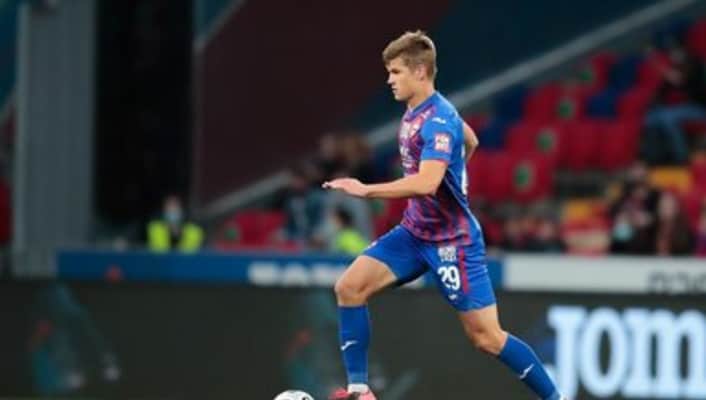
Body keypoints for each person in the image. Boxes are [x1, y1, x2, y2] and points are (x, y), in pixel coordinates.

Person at [323, 31, 565, 400]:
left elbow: (427, 183)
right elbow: (471, 140)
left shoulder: (438, 119)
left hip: (453, 241)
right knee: (349, 287)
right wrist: (457, 172)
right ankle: (360, 392)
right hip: (414, 233)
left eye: (396, 72)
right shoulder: (421, 111)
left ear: (420, 72)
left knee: (486, 337)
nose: (389, 80)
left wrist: (366, 189)